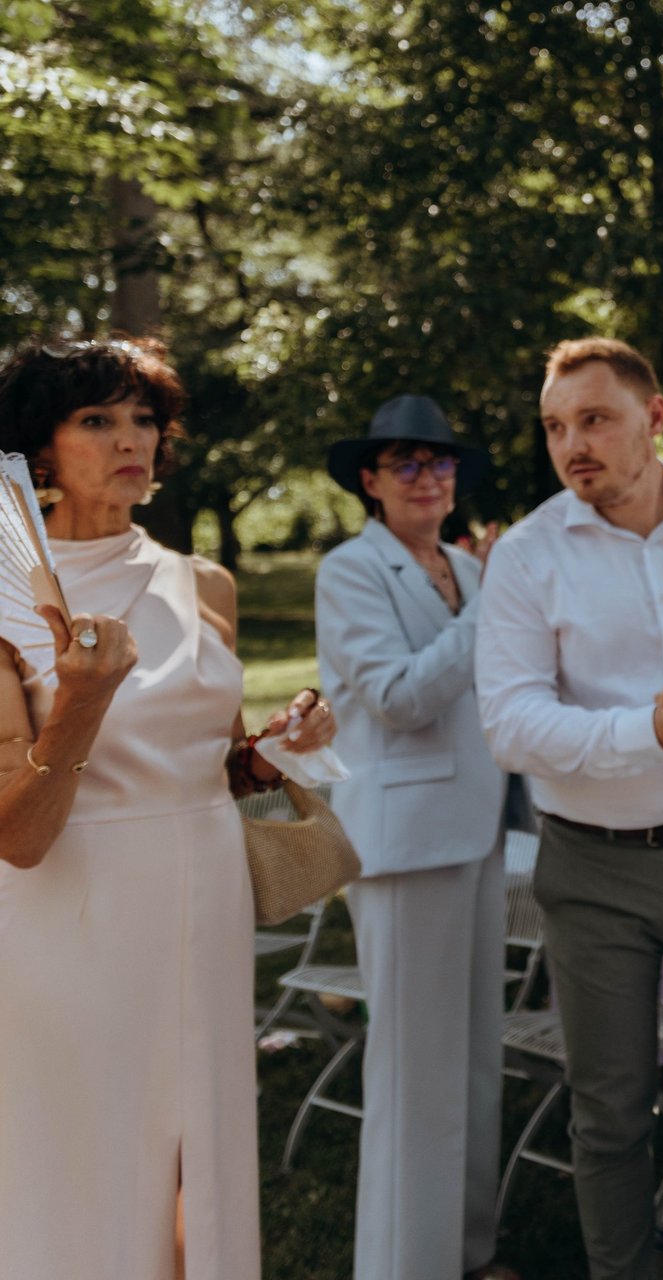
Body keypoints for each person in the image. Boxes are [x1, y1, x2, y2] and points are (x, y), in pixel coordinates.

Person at [0, 336, 336, 1279]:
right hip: (70, 917)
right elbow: (14, 837)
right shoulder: (7, 601)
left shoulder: (204, 583)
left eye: (143, 418)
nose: (130, 439)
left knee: (205, 1159)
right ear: (40, 450)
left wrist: (270, 753)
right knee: (87, 1160)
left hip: (203, 908)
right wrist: (80, 700)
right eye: (97, 420)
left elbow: (212, 762)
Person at [476, 337, 663, 1280]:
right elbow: (511, 725)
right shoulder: (527, 555)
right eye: (557, 427)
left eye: (595, 419)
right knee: (607, 1110)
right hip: (594, 866)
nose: (574, 444)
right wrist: (652, 736)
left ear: (654, 419)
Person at [316, 395, 516, 1280]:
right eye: (407, 464)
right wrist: (494, 604)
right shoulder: (350, 571)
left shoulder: (468, 571)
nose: (429, 478)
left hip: (477, 832)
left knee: (474, 1060)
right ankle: (404, 1267)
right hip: (401, 843)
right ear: (371, 480)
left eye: (440, 465)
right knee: (411, 1075)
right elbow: (397, 697)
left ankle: (465, 1252)